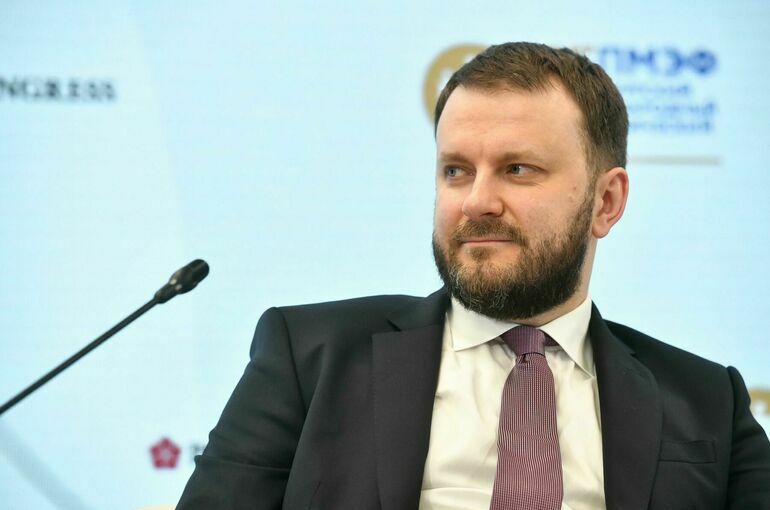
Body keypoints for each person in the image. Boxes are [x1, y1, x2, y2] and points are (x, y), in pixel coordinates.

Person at [177, 42, 770, 509]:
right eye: (456, 171)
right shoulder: (311, 357)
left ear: (606, 202)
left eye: (518, 169)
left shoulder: (706, 400)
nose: (477, 202)